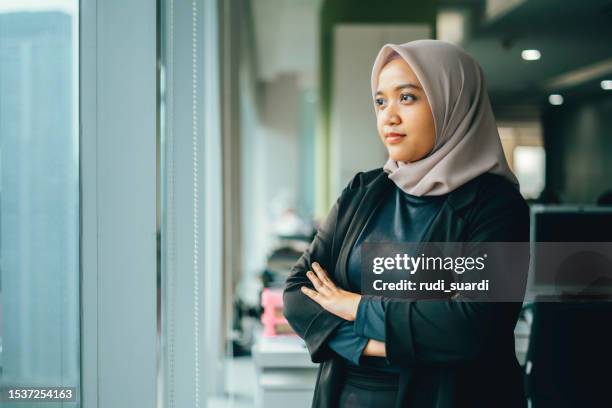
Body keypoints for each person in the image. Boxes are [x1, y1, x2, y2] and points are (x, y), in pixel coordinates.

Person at [282, 39, 530, 408]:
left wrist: (356, 307)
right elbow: (298, 293)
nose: (389, 116)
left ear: (452, 102)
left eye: (408, 98)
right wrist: (371, 345)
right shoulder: (363, 191)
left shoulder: (496, 206)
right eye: (380, 101)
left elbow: (470, 326)